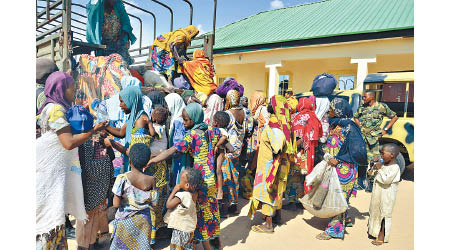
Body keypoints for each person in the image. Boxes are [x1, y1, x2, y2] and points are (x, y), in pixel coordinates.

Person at [36, 72, 107, 250]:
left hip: (51, 169)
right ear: (60, 88)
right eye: (71, 87)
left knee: (54, 216)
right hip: (51, 171)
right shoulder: (56, 110)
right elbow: (67, 143)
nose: (74, 91)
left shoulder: (50, 106)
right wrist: (93, 130)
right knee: (50, 216)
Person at [148, 102, 223, 250]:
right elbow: (225, 145)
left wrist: (154, 159)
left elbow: (172, 150)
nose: (184, 122)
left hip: (198, 181)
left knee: (199, 216)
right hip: (211, 180)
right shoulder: (213, 131)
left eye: (186, 119)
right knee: (211, 213)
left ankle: (207, 247)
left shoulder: (192, 136)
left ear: (194, 119)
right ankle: (215, 244)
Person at [316, 98, 367, 240]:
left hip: (345, 169)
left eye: (332, 108)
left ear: (339, 110)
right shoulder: (335, 124)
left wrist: (338, 159)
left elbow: (357, 151)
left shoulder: (350, 127)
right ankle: (346, 219)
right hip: (334, 167)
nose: (329, 111)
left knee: (336, 198)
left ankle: (335, 230)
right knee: (338, 196)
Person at [248, 95, 295, 233]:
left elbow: (277, 147)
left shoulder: (275, 126)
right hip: (281, 164)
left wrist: (273, 165)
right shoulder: (285, 124)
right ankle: (277, 217)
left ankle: (268, 224)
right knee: (278, 191)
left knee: (268, 191)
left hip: (271, 165)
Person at [110, 143, 159, 249]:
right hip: (144, 220)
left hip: (125, 221)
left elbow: (115, 204)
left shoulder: (122, 178)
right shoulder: (152, 179)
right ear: (146, 163)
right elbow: (155, 203)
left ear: (130, 161)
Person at [76, 132, 115, 250]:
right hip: (92, 189)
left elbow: (111, 157)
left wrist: (107, 144)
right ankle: (85, 246)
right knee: (88, 219)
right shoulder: (85, 142)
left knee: (92, 219)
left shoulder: (97, 141)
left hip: (98, 189)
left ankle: (90, 244)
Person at [354, 90, 398, 192]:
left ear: (372, 97)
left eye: (365, 97)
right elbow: (355, 117)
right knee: (361, 159)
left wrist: (385, 129)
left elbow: (394, 117)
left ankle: (371, 183)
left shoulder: (381, 107)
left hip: (373, 139)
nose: (363, 99)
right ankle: (360, 182)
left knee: (374, 161)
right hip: (362, 138)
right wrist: (359, 125)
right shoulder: (362, 107)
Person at [222, 90, 253, 215]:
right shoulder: (246, 112)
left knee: (226, 177)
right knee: (235, 175)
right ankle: (234, 205)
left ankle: (225, 207)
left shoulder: (227, 114)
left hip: (227, 150)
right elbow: (249, 130)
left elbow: (221, 132)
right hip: (239, 149)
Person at [287, 97, 323, 209]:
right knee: (306, 176)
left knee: (294, 176)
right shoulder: (314, 117)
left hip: (298, 151)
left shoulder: (295, 117)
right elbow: (319, 134)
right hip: (311, 152)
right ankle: (304, 200)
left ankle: (293, 202)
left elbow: (293, 134)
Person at [367, 144, 401, 246]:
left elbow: (386, 180)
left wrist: (380, 169)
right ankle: (374, 231)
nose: (381, 155)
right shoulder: (383, 166)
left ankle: (382, 235)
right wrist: (372, 165)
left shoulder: (395, 168)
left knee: (385, 214)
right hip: (378, 193)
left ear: (392, 155)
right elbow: (371, 174)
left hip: (387, 196)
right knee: (375, 211)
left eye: (383, 153)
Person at [86, 0, 136, 66]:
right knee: (105, 65)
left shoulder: (119, 6)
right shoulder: (98, 7)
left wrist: (120, 40)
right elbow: (91, 15)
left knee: (122, 63)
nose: (114, 1)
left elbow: (126, 24)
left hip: (119, 42)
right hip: (104, 43)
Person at [165, 168, 203, 250]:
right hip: (189, 229)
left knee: (177, 247)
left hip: (180, 229)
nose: (179, 182)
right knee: (188, 247)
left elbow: (168, 205)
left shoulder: (181, 196)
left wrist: (174, 191)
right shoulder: (195, 194)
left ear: (187, 185)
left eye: (181, 180)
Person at [165, 93, 189, 187]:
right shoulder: (180, 117)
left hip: (179, 154)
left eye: (168, 105)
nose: (166, 108)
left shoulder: (179, 120)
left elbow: (177, 140)